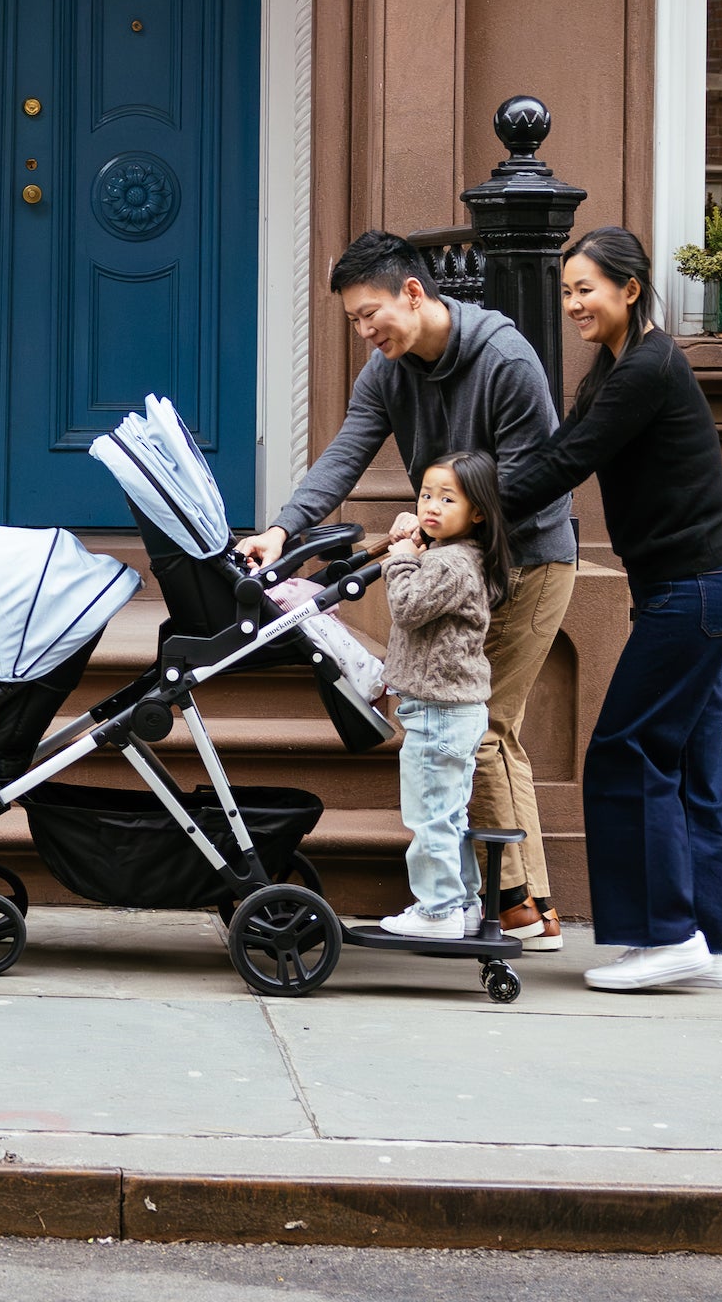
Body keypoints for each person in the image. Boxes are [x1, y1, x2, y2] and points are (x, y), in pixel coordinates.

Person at [236, 230, 576, 949]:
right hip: (455, 560)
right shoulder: (387, 371)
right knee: (482, 729)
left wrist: (431, 544)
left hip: (529, 560)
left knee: (481, 725)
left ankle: (517, 901)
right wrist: (283, 531)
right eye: (354, 320)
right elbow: (347, 450)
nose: (364, 331)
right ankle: (521, 903)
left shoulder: (505, 360)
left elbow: (531, 480)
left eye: (369, 315)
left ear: (413, 294)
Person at [503, 224, 722, 993]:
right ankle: (708, 944)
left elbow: (569, 464)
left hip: (692, 593)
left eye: (586, 289)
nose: (573, 303)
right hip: (692, 591)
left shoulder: (646, 368)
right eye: (566, 290)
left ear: (629, 289)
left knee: (623, 751)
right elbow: (558, 449)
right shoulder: (616, 371)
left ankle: (663, 935)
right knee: (690, 765)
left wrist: (466, 508)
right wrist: (476, 488)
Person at [376, 452, 510, 940]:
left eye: (447, 498)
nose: (431, 506)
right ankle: (464, 905)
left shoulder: (452, 562)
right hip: (450, 710)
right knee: (449, 814)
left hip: (439, 713)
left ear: (478, 511)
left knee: (430, 814)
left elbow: (408, 608)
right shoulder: (453, 557)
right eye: (426, 495)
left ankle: (436, 911)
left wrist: (401, 558)